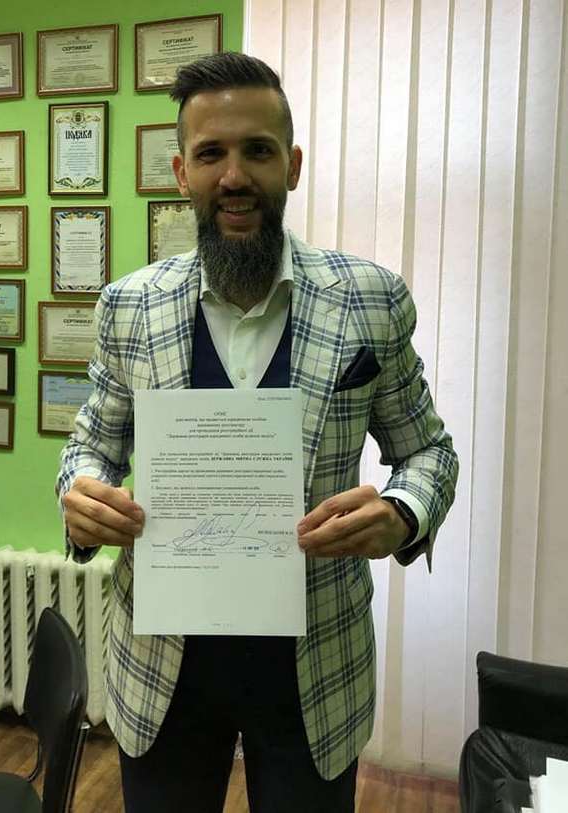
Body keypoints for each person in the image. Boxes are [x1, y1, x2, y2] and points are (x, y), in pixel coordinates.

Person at [57, 51, 458, 813]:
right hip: (164, 666)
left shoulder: (370, 299)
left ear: (292, 166)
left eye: (258, 151)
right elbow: (91, 446)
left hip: (315, 668)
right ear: (182, 172)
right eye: (211, 153)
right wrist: (78, 495)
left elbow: (428, 451)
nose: (234, 175)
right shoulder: (129, 306)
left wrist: (402, 510)